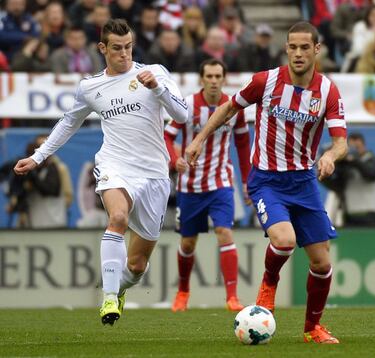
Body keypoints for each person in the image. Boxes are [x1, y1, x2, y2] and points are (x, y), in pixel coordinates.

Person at [14, 18, 188, 325]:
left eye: (129, 47)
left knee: (136, 265)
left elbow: (182, 115)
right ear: (102, 48)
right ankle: (108, 298)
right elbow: (70, 122)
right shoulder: (91, 87)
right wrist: (39, 157)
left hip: (154, 174)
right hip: (115, 164)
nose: (125, 54)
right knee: (117, 217)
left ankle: (119, 287)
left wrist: (158, 88)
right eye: (117, 49)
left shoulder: (155, 73)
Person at [185, 21, 348, 344]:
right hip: (267, 181)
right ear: (286, 48)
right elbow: (229, 108)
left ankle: (312, 328)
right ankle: (268, 282)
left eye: (305, 47)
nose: (298, 53)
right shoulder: (266, 81)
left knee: (322, 261)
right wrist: (200, 138)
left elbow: (340, 140)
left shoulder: (328, 90)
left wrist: (330, 156)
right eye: (293, 47)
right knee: (284, 240)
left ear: (317, 49)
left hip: (303, 182)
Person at [164, 58, 250, 312]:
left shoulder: (234, 107)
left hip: (221, 182)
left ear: (224, 79)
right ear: (202, 79)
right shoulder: (188, 105)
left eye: (217, 77)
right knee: (188, 243)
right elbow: (167, 136)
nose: (213, 81)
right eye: (209, 77)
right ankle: (183, 291)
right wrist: (174, 159)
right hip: (190, 186)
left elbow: (243, 145)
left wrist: (246, 182)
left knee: (224, 232)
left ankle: (232, 297)